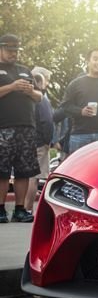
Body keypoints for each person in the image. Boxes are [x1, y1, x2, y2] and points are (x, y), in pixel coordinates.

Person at [0, 34, 42, 223]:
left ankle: (20, 209)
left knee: (24, 170)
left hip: (26, 126)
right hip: (3, 126)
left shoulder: (25, 70)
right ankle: (0, 209)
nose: (13, 54)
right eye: (9, 50)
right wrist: (12, 87)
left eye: (15, 50)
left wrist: (30, 91)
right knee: (2, 170)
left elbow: (39, 96)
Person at [26, 67, 54, 213]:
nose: (48, 84)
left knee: (25, 175)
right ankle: (27, 208)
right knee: (34, 177)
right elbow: (48, 121)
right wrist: (48, 141)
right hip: (39, 141)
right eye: (47, 80)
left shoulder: (26, 97)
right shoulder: (42, 99)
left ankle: (22, 207)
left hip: (26, 139)